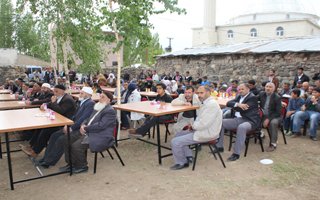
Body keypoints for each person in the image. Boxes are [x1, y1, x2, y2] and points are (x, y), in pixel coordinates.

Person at [37, 87, 95, 168]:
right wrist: (67, 125)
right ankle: (45, 158)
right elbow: (74, 116)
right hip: (73, 126)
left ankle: (49, 161)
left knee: (62, 139)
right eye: (80, 92)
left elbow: (83, 119)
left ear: (88, 95)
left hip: (80, 129)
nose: (80, 94)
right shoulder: (82, 102)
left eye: (82, 93)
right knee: (54, 135)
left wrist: (71, 128)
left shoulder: (90, 103)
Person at [60, 91, 116, 173]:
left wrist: (86, 128)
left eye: (103, 97)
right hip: (88, 131)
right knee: (66, 138)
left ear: (109, 100)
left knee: (76, 146)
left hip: (100, 135)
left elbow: (101, 126)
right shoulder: (98, 106)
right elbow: (87, 119)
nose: (100, 99)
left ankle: (82, 166)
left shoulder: (110, 111)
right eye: (100, 96)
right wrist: (83, 125)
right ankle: (71, 164)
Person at [170, 86, 222, 170]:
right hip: (201, 129)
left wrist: (193, 126)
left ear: (208, 92)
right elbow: (201, 120)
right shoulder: (205, 102)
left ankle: (181, 162)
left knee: (175, 142)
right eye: (198, 93)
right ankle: (188, 155)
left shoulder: (211, 104)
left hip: (207, 133)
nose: (199, 95)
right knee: (178, 135)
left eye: (202, 93)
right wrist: (193, 126)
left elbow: (203, 124)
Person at [21, 84, 77, 157]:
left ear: (62, 92)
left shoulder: (68, 99)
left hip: (65, 123)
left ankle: (35, 152)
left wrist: (54, 102)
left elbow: (60, 111)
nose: (55, 93)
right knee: (40, 127)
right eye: (54, 91)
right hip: (57, 120)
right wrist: (44, 105)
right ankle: (31, 146)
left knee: (46, 131)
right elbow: (49, 104)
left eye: (57, 91)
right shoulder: (58, 97)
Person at [216, 83, 261, 161]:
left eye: (242, 89)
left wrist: (236, 106)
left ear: (248, 89)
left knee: (242, 127)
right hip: (239, 119)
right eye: (239, 89)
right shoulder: (239, 96)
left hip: (250, 120)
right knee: (221, 122)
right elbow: (228, 103)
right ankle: (219, 146)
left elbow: (243, 109)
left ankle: (236, 153)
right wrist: (238, 104)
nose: (240, 91)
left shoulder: (252, 98)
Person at [257, 82, 282, 152]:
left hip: (275, 116)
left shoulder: (277, 97)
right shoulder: (262, 94)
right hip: (264, 115)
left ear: (273, 89)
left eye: (270, 87)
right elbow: (253, 99)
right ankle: (261, 133)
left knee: (273, 123)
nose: (268, 88)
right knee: (254, 117)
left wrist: (268, 119)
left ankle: (273, 143)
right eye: (267, 86)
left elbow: (278, 112)